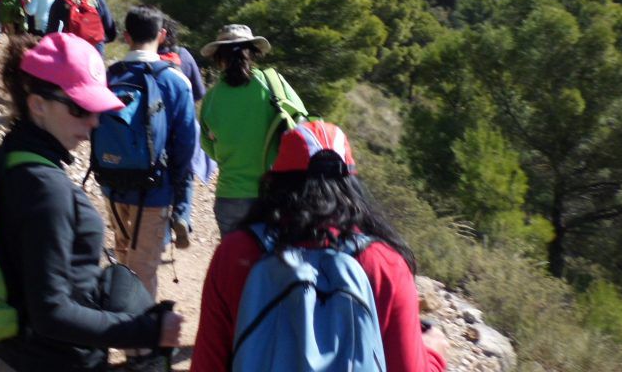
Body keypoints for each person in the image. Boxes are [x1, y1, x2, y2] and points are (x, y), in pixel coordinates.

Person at [0, 33, 184, 371]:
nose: (93, 122)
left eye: (95, 109)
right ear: (38, 104)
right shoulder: (45, 188)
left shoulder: (6, 158)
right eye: (80, 109)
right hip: (49, 360)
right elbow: (51, 313)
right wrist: (148, 330)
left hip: (13, 351)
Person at [192, 121, 449, 372]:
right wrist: (434, 353)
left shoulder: (237, 252)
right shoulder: (384, 264)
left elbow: (207, 363)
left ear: (275, 182)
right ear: (352, 187)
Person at [97, 6, 197, 301]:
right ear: (162, 35)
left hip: (112, 184)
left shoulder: (110, 76)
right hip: (155, 190)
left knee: (124, 256)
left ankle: (118, 323)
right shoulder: (176, 82)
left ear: (126, 36)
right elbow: (185, 146)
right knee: (144, 269)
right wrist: (180, 195)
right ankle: (137, 339)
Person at [198, 24, 305, 236]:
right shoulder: (273, 84)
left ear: (219, 58)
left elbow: (209, 147)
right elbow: (302, 126)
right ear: (253, 52)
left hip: (230, 197)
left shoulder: (212, 98)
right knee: (270, 266)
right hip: (272, 195)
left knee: (236, 265)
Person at [157, 19, 214, 250]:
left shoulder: (150, 59)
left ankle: (161, 236)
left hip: (157, 130)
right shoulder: (184, 56)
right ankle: (182, 215)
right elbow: (199, 93)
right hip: (185, 127)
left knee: (159, 178)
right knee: (186, 174)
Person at [45, 0, 117, 56]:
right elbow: (111, 31)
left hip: (71, 55)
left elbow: (51, 33)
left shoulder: (60, 1)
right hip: (94, 55)